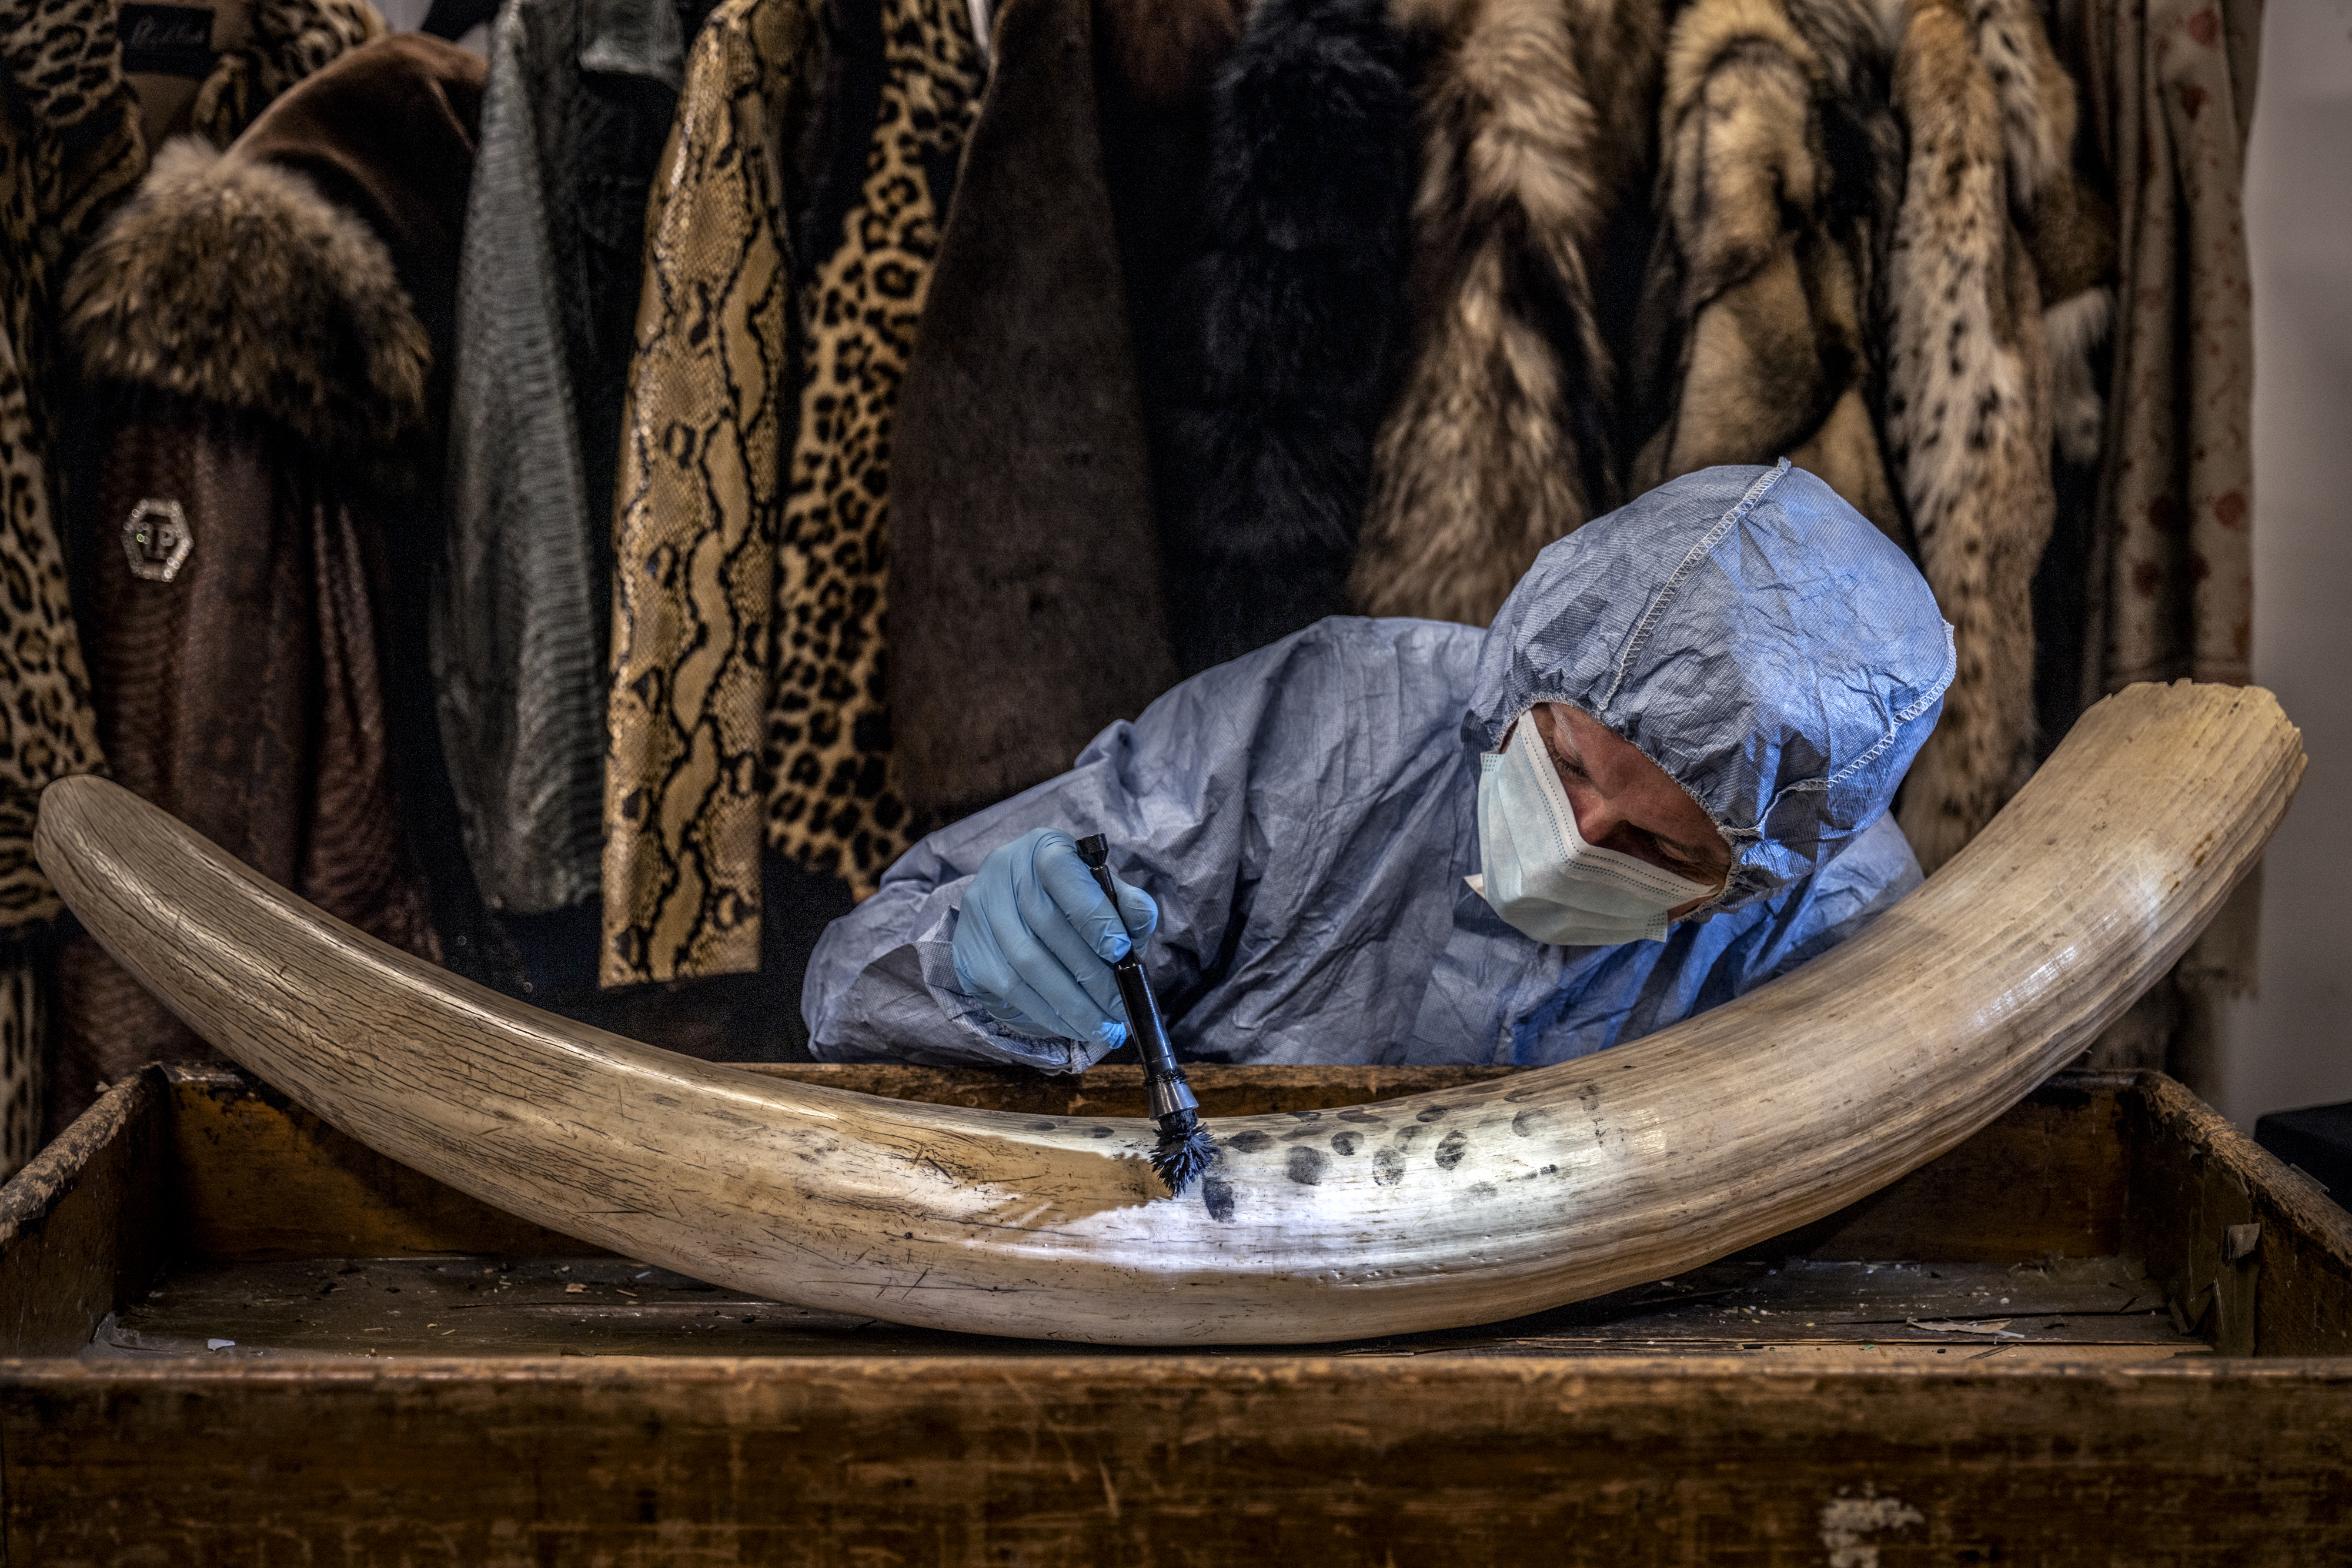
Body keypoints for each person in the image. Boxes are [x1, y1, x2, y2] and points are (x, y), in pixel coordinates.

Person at [806, 462, 1954, 1070]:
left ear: (1757, 873)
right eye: (1564, 764)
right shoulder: (1330, 719)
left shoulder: (1835, 919)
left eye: (1657, 846)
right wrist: (962, 967)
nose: (1577, 835)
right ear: (1525, 674)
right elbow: (851, 983)